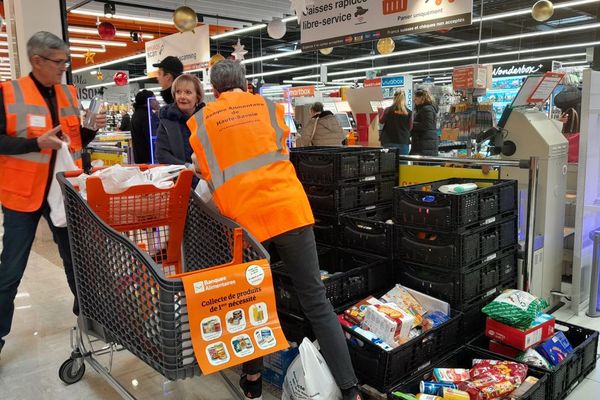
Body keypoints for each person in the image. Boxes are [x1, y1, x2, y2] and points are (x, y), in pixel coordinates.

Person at [187, 60, 363, 400]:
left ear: (214, 90)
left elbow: (206, 173)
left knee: (253, 299)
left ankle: (253, 380)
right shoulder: (269, 108)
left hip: (246, 223)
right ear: (246, 83)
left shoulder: (201, 122)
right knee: (316, 301)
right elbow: (282, 152)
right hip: (290, 210)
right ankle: (350, 389)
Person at [0, 31, 106, 355]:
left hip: (63, 191)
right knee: (10, 271)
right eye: (58, 62)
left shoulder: (68, 93)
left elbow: (73, 144)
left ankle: (89, 317)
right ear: (37, 61)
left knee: (76, 259)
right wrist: (35, 143)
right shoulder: (8, 93)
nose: (64, 67)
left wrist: (91, 128)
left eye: (65, 61)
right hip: (22, 195)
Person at [155, 74, 205, 169]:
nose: (182, 96)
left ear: (198, 97)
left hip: (206, 178)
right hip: (179, 177)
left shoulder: (207, 119)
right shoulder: (167, 120)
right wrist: (187, 167)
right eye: (178, 92)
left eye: (188, 92)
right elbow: (161, 154)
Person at [379, 90, 412, 154]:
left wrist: (380, 111)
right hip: (403, 141)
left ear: (394, 98)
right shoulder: (408, 112)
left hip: (388, 141)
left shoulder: (388, 110)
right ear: (404, 99)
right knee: (403, 163)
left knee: (389, 163)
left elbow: (381, 121)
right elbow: (410, 128)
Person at [130, 90, 159, 164]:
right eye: (154, 99)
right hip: (149, 158)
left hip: (140, 156)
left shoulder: (136, 114)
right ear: (148, 101)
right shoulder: (147, 116)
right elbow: (154, 136)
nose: (157, 102)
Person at [410, 88, 439, 156]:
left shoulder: (426, 109)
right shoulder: (423, 109)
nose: (414, 100)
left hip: (425, 145)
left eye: (416, 98)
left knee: (423, 165)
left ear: (422, 98)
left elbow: (427, 125)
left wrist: (411, 124)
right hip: (424, 143)